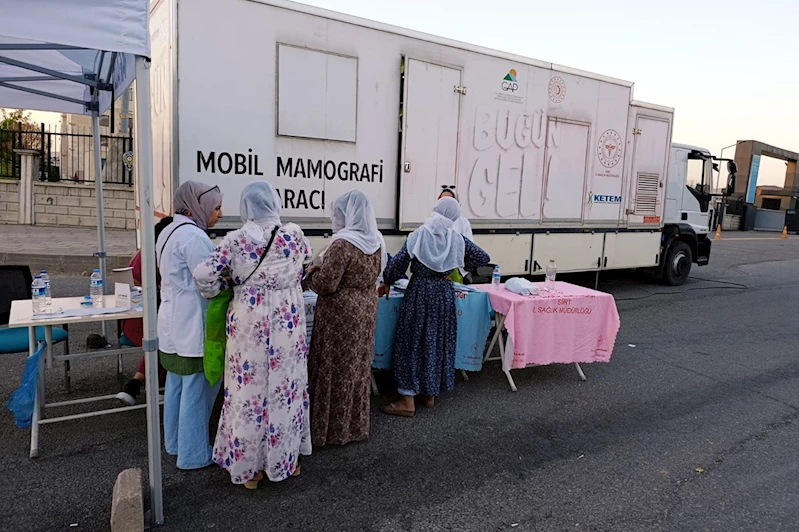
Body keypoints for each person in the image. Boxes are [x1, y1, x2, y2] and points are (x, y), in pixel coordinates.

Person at [193, 181, 312, 489]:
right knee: (285, 391)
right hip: (287, 323)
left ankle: (250, 471)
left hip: (249, 324)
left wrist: (222, 288)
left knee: (248, 394)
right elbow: (306, 267)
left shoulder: (236, 241)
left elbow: (203, 273)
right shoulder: (295, 236)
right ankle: (285, 461)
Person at [378, 197, 490, 417]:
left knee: (411, 342)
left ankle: (407, 400)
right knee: (436, 341)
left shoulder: (419, 235)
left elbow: (398, 264)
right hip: (443, 295)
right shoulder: (456, 238)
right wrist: (452, 266)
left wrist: (387, 281)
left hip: (419, 293)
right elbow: (483, 257)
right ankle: (429, 394)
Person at [303, 190, 385, 447]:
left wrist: (310, 274)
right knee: (356, 366)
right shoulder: (375, 241)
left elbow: (327, 283)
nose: (335, 219)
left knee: (332, 366)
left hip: (340, 314)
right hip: (366, 309)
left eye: (337, 214)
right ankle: (355, 427)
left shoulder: (342, 244)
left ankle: (328, 431)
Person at [157, 181, 223, 470]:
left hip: (171, 321)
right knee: (196, 388)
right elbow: (209, 282)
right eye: (216, 207)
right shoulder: (194, 237)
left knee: (176, 384)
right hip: (192, 321)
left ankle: (174, 442)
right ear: (199, 206)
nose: (219, 214)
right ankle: (193, 453)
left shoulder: (169, 230)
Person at [116, 216, 173, 406]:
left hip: (133, 317)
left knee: (165, 335)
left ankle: (139, 383)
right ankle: (141, 382)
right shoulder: (158, 254)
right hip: (143, 318)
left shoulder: (146, 251)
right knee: (166, 337)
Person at [438, 187, 474, 283]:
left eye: (450, 201)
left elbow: (470, 247)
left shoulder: (463, 222)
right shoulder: (432, 222)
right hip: (436, 270)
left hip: (456, 268)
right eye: (442, 200)